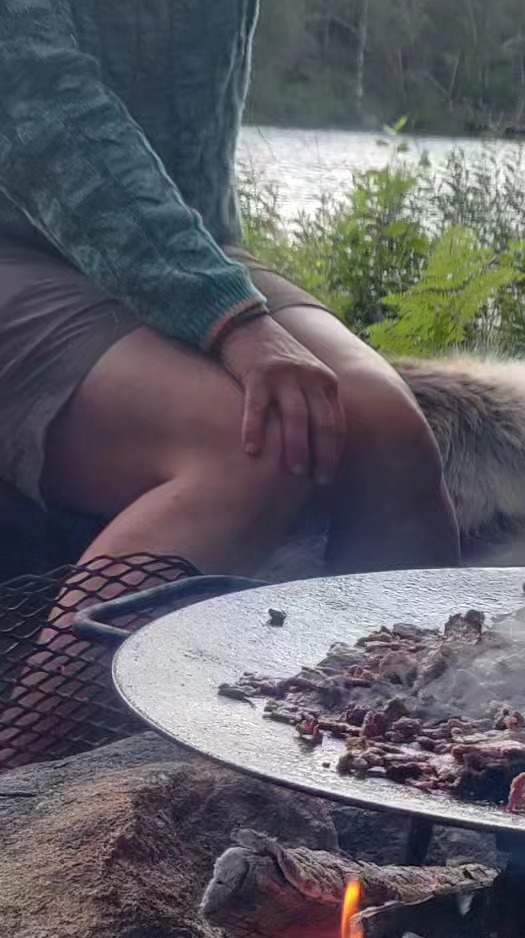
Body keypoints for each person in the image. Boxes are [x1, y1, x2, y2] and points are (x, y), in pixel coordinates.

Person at [0, 0, 461, 578]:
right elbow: (37, 106)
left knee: (388, 430)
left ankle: (396, 666)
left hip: (192, 237)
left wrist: (207, 283)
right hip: (15, 247)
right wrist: (231, 319)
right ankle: (62, 672)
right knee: (252, 450)